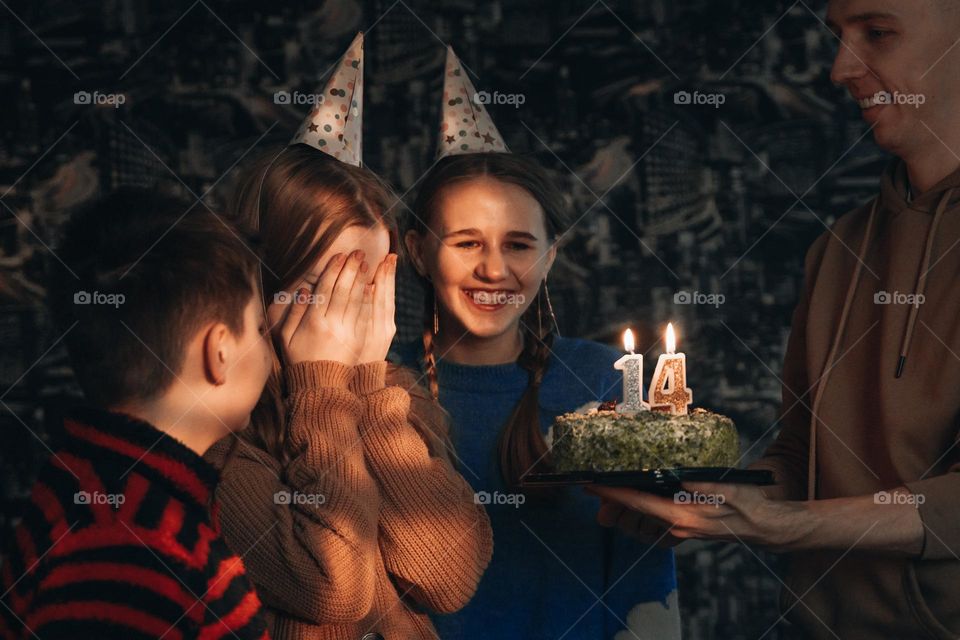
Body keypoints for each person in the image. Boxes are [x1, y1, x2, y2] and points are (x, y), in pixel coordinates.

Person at [590, 1, 960, 637]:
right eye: (838, 38)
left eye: (877, 34)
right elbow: (802, 457)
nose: (841, 68)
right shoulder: (838, 249)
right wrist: (707, 495)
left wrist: (792, 526)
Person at [204, 142, 493, 640]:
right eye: (324, 286)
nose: (345, 317)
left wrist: (368, 389)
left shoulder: (393, 395)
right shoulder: (215, 437)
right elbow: (333, 588)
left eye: (364, 287)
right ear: (257, 280)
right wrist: (319, 382)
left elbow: (448, 580)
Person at [395, 150, 680, 639]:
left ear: (550, 255)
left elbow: (645, 582)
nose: (493, 269)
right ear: (419, 251)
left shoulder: (607, 383)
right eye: (466, 243)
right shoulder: (375, 386)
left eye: (519, 245)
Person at [0, 189, 272, 639]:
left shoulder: (105, 485)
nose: (270, 347)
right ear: (218, 350)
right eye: (260, 329)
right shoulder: (132, 543)